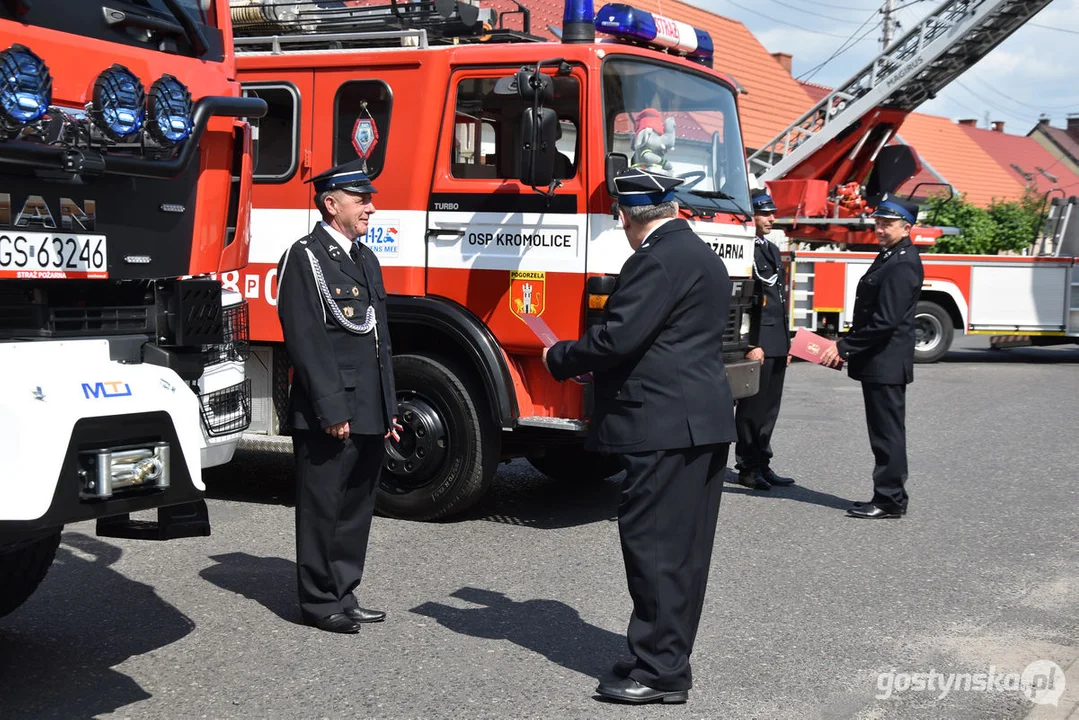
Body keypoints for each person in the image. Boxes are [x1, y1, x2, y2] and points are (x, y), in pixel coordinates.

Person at [542, 167, 736, 704]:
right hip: (699, 420)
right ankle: (663, 651)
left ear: (625, 215)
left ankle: (660, 671)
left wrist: (560, 356)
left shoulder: (654, 259)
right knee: (684, 551)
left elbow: (617, 337)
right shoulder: (698, 252)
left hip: (661, 424)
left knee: (653, 548)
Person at [276, 159, 401, 633]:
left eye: (369, 199)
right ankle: (317, 601)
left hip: (368, 405)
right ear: (332, 204)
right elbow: (306, 339)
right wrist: (331, 408)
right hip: (331, 409)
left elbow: (379, 341)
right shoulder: (305, 256)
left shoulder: (364, 258)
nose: (371, 206)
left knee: (355, 506)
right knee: (323, 505)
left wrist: (388, 407)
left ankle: (344, 592)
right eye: (361, 199)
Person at [820, 194, 924, 520]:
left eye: (887, 223)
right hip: (880, 361)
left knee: (887, 434)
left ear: (906, 226)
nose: (879, 228)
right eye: (877, 222)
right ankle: (889, 496)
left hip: (887, 362)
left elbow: (885, 321)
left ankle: (890, 499)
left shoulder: (903, 262)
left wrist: (845, 346)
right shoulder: (891, 255)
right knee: (883, 433)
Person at [732, 189, 795, 491]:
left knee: (770, 407)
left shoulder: (768, 248)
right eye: (765, 213)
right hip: (758, 341)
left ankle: (763, 462)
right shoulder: (745, 249)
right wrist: (750, 344)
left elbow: (778, 297)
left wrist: (786, 343)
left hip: (777, 340)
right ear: (751, 214)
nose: (772, 218)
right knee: (752, 407)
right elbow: (748, 302)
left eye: (772, 213)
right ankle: (747, 466)